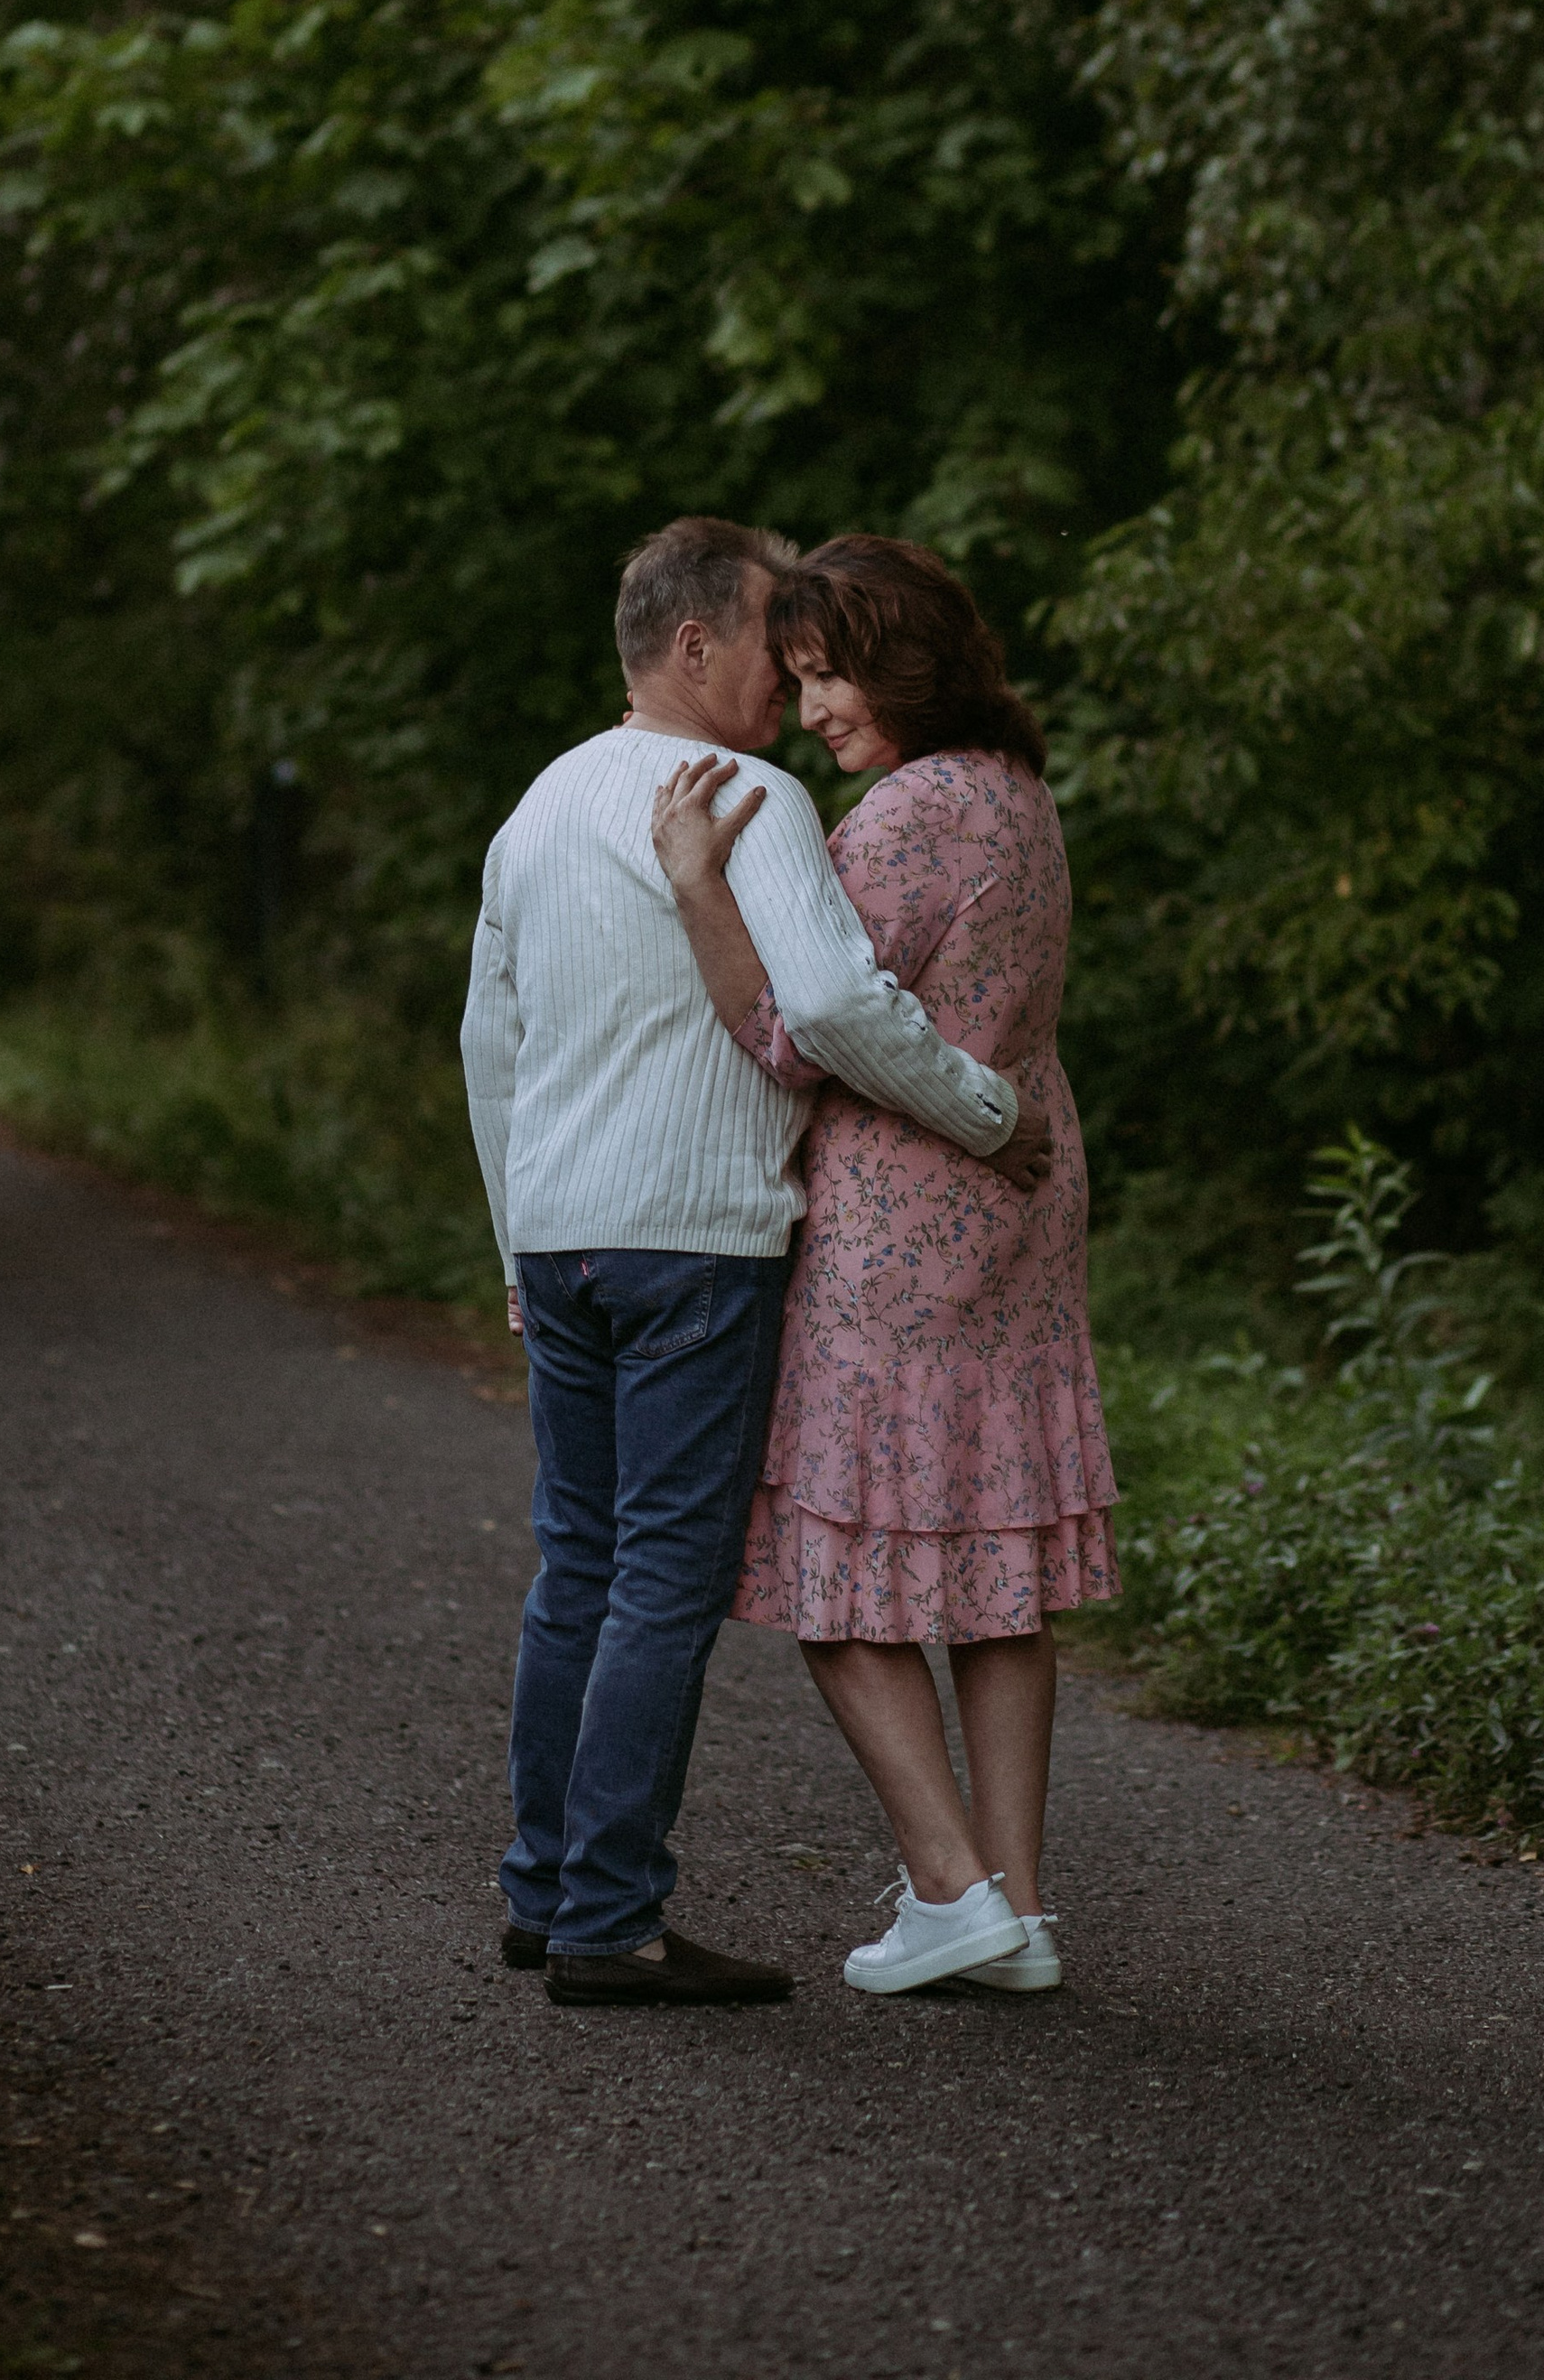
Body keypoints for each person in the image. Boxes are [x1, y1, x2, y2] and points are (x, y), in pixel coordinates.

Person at [460, 515, 1052, 2008]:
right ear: (692, 645)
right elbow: (841, 1009)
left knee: (574, 1567)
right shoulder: (752, 798)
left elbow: (490, 1051)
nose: (788, 698)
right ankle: (610, 1920)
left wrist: (515, 1247)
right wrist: (990, 1111)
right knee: (663, 1577)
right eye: (770, 657)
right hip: (700, 1239)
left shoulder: (531, 809)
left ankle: (541, 1894)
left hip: (563, 1231)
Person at [650, 534, 1119, 1998]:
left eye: (832, 672)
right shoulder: (1020, 795)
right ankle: (1020, 1913)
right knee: (994, 1570)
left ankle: (948, 1886)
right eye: (800, 676)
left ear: (901, 663)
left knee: (833, 1576)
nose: (818, 708)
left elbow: (802, 1029)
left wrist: (698, 889)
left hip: (902, 1217)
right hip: (1021, 1202)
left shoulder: (906, 814)